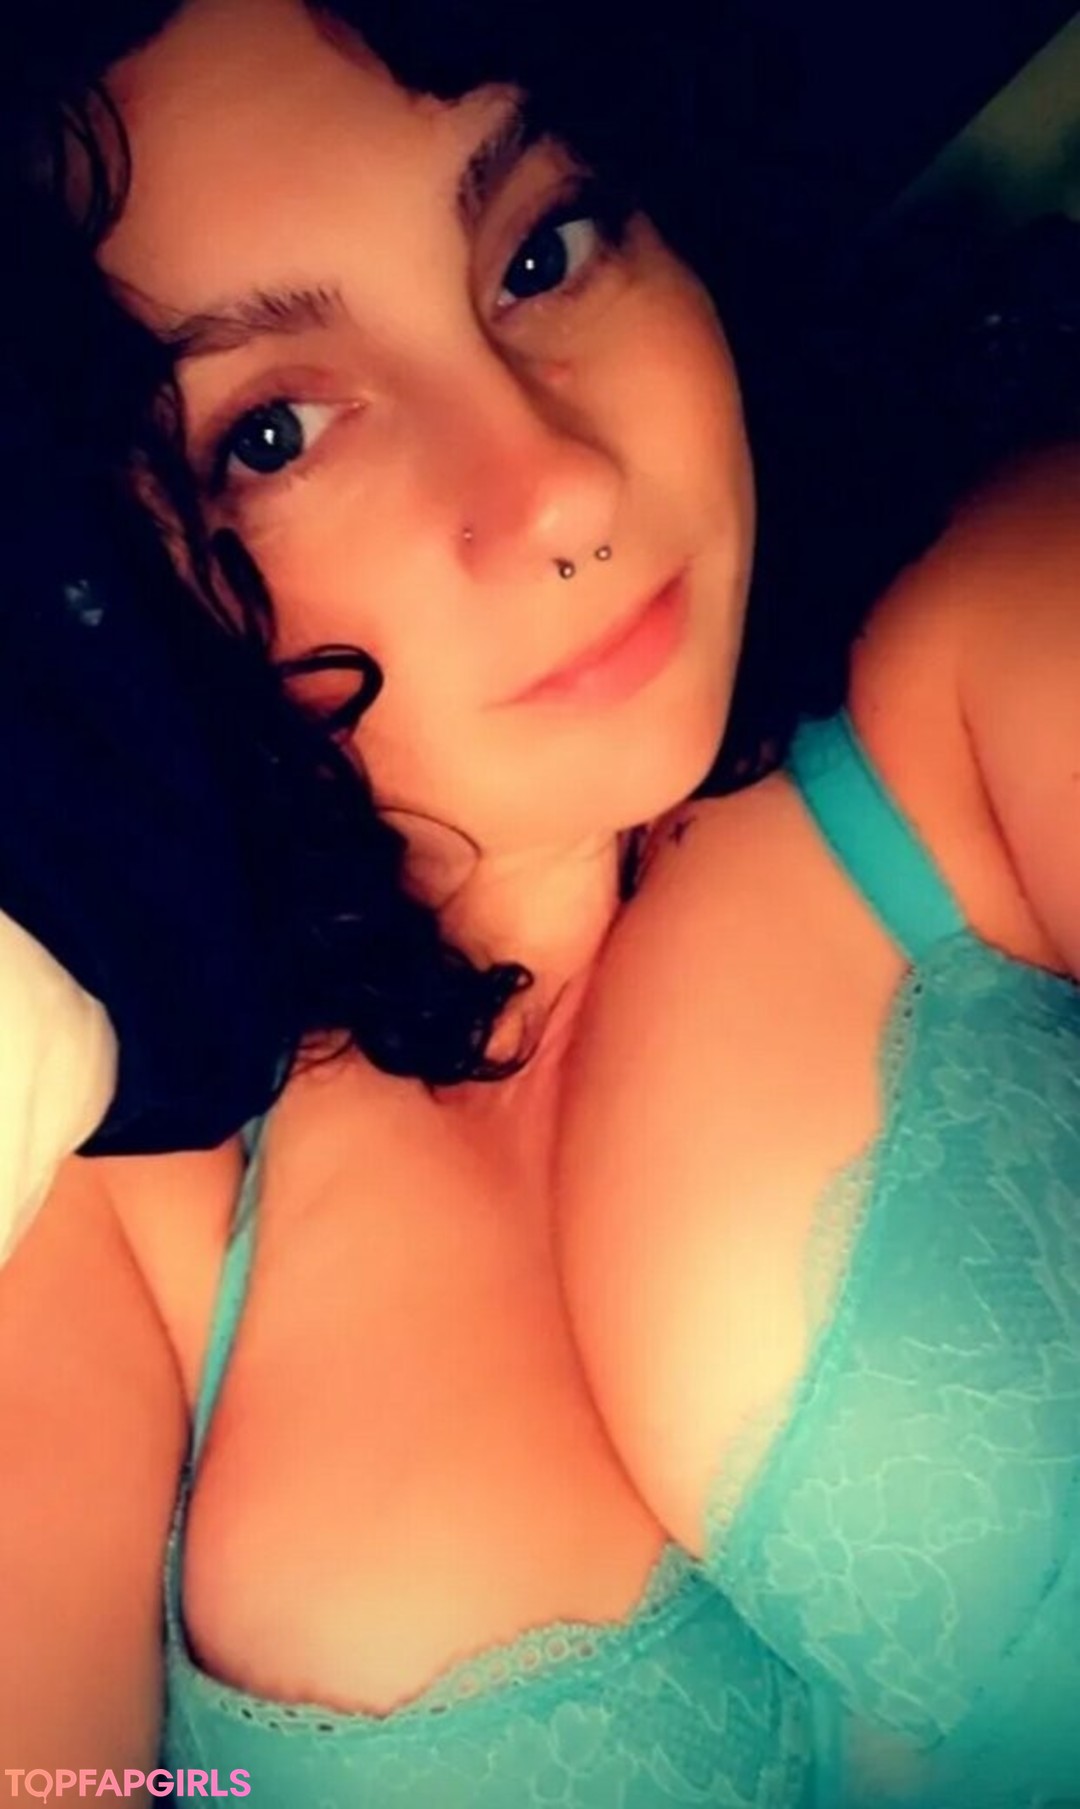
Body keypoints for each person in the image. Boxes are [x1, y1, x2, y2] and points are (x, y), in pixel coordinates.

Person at [0, 2, 1076, 1806]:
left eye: (540, 251)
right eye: (275, 432)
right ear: (94, 572)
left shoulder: (986, 658)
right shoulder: (129, 1211)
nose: (555, 479)